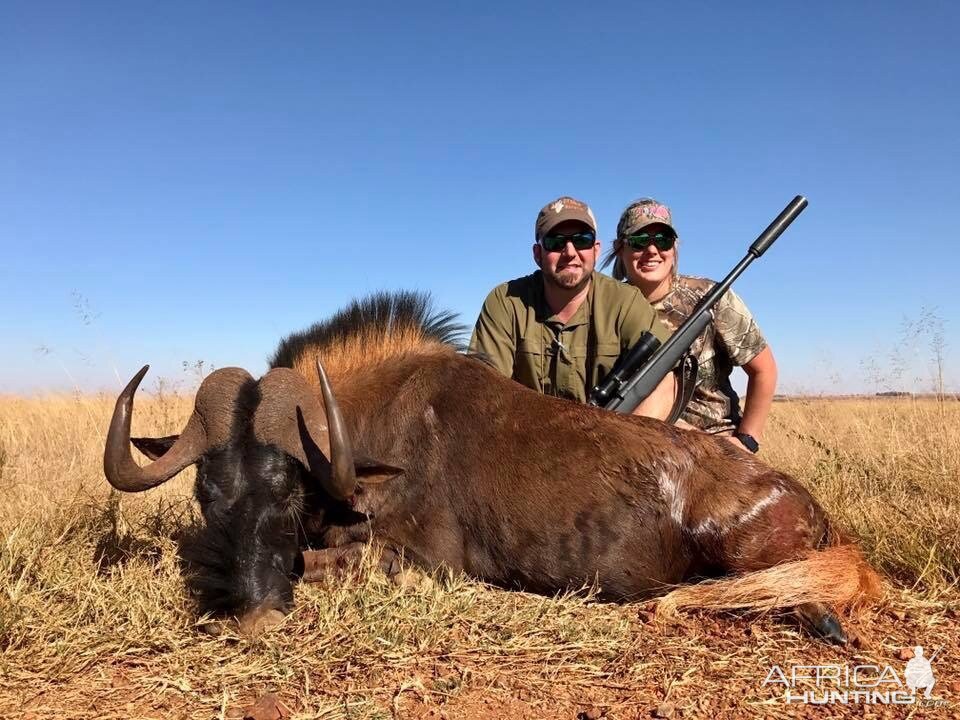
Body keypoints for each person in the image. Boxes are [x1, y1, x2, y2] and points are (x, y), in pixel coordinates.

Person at [469, 195, 677, 420]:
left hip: (607, 444)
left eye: (582, 240)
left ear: (596, 250)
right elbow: (481, 393)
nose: (569, 252)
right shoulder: (505, 301)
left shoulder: (625, 302)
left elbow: (665, 379)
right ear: (538, 254)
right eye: (555, 242)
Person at [603, 197, 778, 453]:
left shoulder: (711, 297)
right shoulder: (606, 305)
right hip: (635, 446)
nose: (652, 250)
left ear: (674, 248)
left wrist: (746, 441)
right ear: (620, 248)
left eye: (662, 240)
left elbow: (764, 369)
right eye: (640, 241)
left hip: (713, 446)